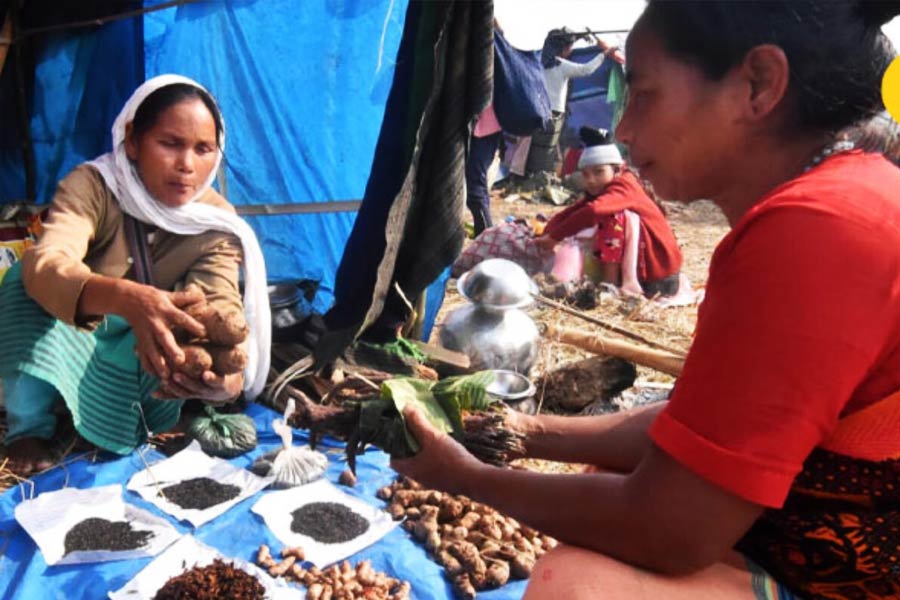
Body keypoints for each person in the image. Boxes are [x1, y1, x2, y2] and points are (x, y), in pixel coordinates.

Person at [393, 2, 900, 599]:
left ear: (758, 85)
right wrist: (524, 431)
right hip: (805, 531)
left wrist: (467, 478)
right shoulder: (840, 198)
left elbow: (671, 528)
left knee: (574, 584)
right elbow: (710, 428)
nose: (626, 130)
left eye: (644, 94)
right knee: (607, 481)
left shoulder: (819, 228)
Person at [0, 75, 271, 475]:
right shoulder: (94, 185)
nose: (186, 165)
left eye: (203, 149)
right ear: (132, 141)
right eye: (170, 144)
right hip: (79, 335)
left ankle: (136, 416)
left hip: (148, 350)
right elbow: (50, 262)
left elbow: (220, 302)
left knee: (191, 327)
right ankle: (30, 427)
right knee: (23, 280)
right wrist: (125, 298)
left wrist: (223, 378)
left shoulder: (215, 222)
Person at [536, 127, 682, 297]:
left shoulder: (624, 185)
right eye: (585, 174)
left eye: (599, 172)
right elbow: (578, 208)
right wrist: (548, 233)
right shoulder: (607, 187)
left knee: (612, 216)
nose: (591, 180)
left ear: (617, 169)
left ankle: (609, 283)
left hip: (659, 280)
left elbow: (593, 210)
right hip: (652, 274)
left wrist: (556, 237)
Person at [525, 27, 618, 174]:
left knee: (538, 146)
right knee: (547, 148)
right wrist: (604, 54)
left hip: (538, 110)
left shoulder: (539, 62)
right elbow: (586, 70)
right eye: (569, 47)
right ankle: (539, 176)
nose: (570, 51)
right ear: (562, 49)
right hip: (554, 114)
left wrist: (581, 36)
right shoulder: (560, 65)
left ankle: (532, 174)